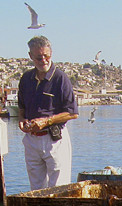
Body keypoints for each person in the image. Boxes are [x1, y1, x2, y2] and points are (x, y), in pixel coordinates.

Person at [18, 36, 78, 190]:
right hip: (32, 140)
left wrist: (47, 121)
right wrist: (22, 120)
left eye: (47, 56)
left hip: (54, 139)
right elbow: (22, 108)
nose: (43, 60)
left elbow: (72, 113)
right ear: (31, 56)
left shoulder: (60, 78)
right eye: (39, 57)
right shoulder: (26, 79)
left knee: (58, 188)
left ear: (51, 54)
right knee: (36, 189)